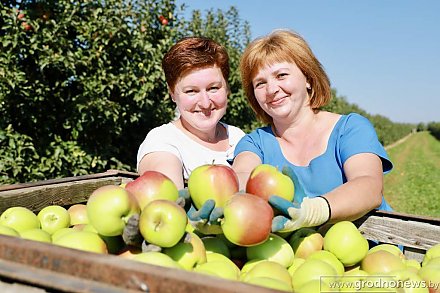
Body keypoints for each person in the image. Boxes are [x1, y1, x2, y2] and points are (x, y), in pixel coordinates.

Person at [232, 29, 394, 233]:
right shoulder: (255, 143)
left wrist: (314, 211)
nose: (271, 89)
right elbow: (242, 175)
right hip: (296, 258)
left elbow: (369, 185)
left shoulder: (350, 129)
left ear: (307, 77)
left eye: (281, 75)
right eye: (260, 83)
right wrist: (227, 201)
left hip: (370, 251)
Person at [136, 36, 245, 190]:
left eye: (213, 88)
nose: (205, 103)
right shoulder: (162, 141)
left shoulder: (237, 137)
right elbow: (169, 203)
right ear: (172, 93)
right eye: (191, 91)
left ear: (226, 87)